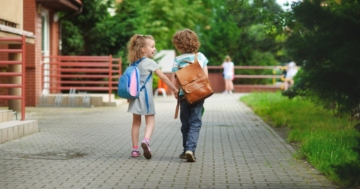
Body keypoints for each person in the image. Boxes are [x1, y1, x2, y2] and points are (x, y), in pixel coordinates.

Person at [127, 34, 179, 159]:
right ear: (144, 49)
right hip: (146, 97)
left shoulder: (132, 63)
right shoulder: (150, 62)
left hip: (134, 97)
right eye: (152, 46)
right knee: (150, 120)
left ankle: (135, 150)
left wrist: (128, 96)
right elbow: (163, 77)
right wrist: (174, 89)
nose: (154, 49)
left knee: (136, 123)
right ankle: (146, 140)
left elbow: (129, 81)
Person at [171, 29, 209, 162]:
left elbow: (175, 78)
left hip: (183, 95)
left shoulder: (177, 60)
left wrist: (176, 91)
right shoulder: (201, 57)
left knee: (185, 123)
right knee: (195, 122)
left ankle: (185, 149)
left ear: (179, 45)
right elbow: (206, 77)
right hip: (198, 94)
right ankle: (190, 149)